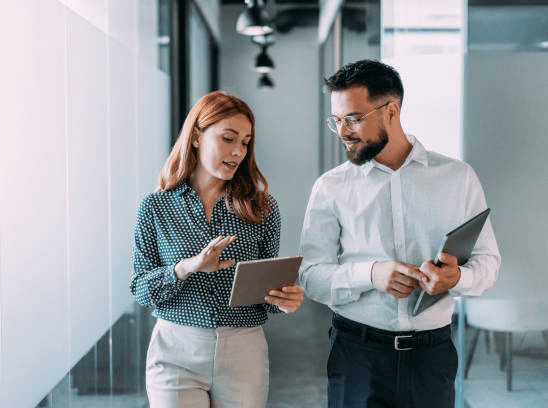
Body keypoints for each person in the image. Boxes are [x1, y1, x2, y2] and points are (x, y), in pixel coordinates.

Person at [298, 60, 500, 408]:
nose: (343, 131)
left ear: (391, 110)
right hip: (356, 356)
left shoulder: (457, 177)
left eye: (354, 118)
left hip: (432, 357)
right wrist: (371, 274)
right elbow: (310, 276)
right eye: (337, 121)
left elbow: (488, 263)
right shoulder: (330, 188)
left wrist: (456, 279)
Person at [130, 90, 304, 408]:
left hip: (243, 350)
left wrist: (284, 300)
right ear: (197, 136)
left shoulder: (263, 208)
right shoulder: (156, 206)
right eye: (228, 138)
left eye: (245, 142)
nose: (238, 151)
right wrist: (187, 267)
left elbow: (266, 297)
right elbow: (141, 290)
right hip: (175, 349)